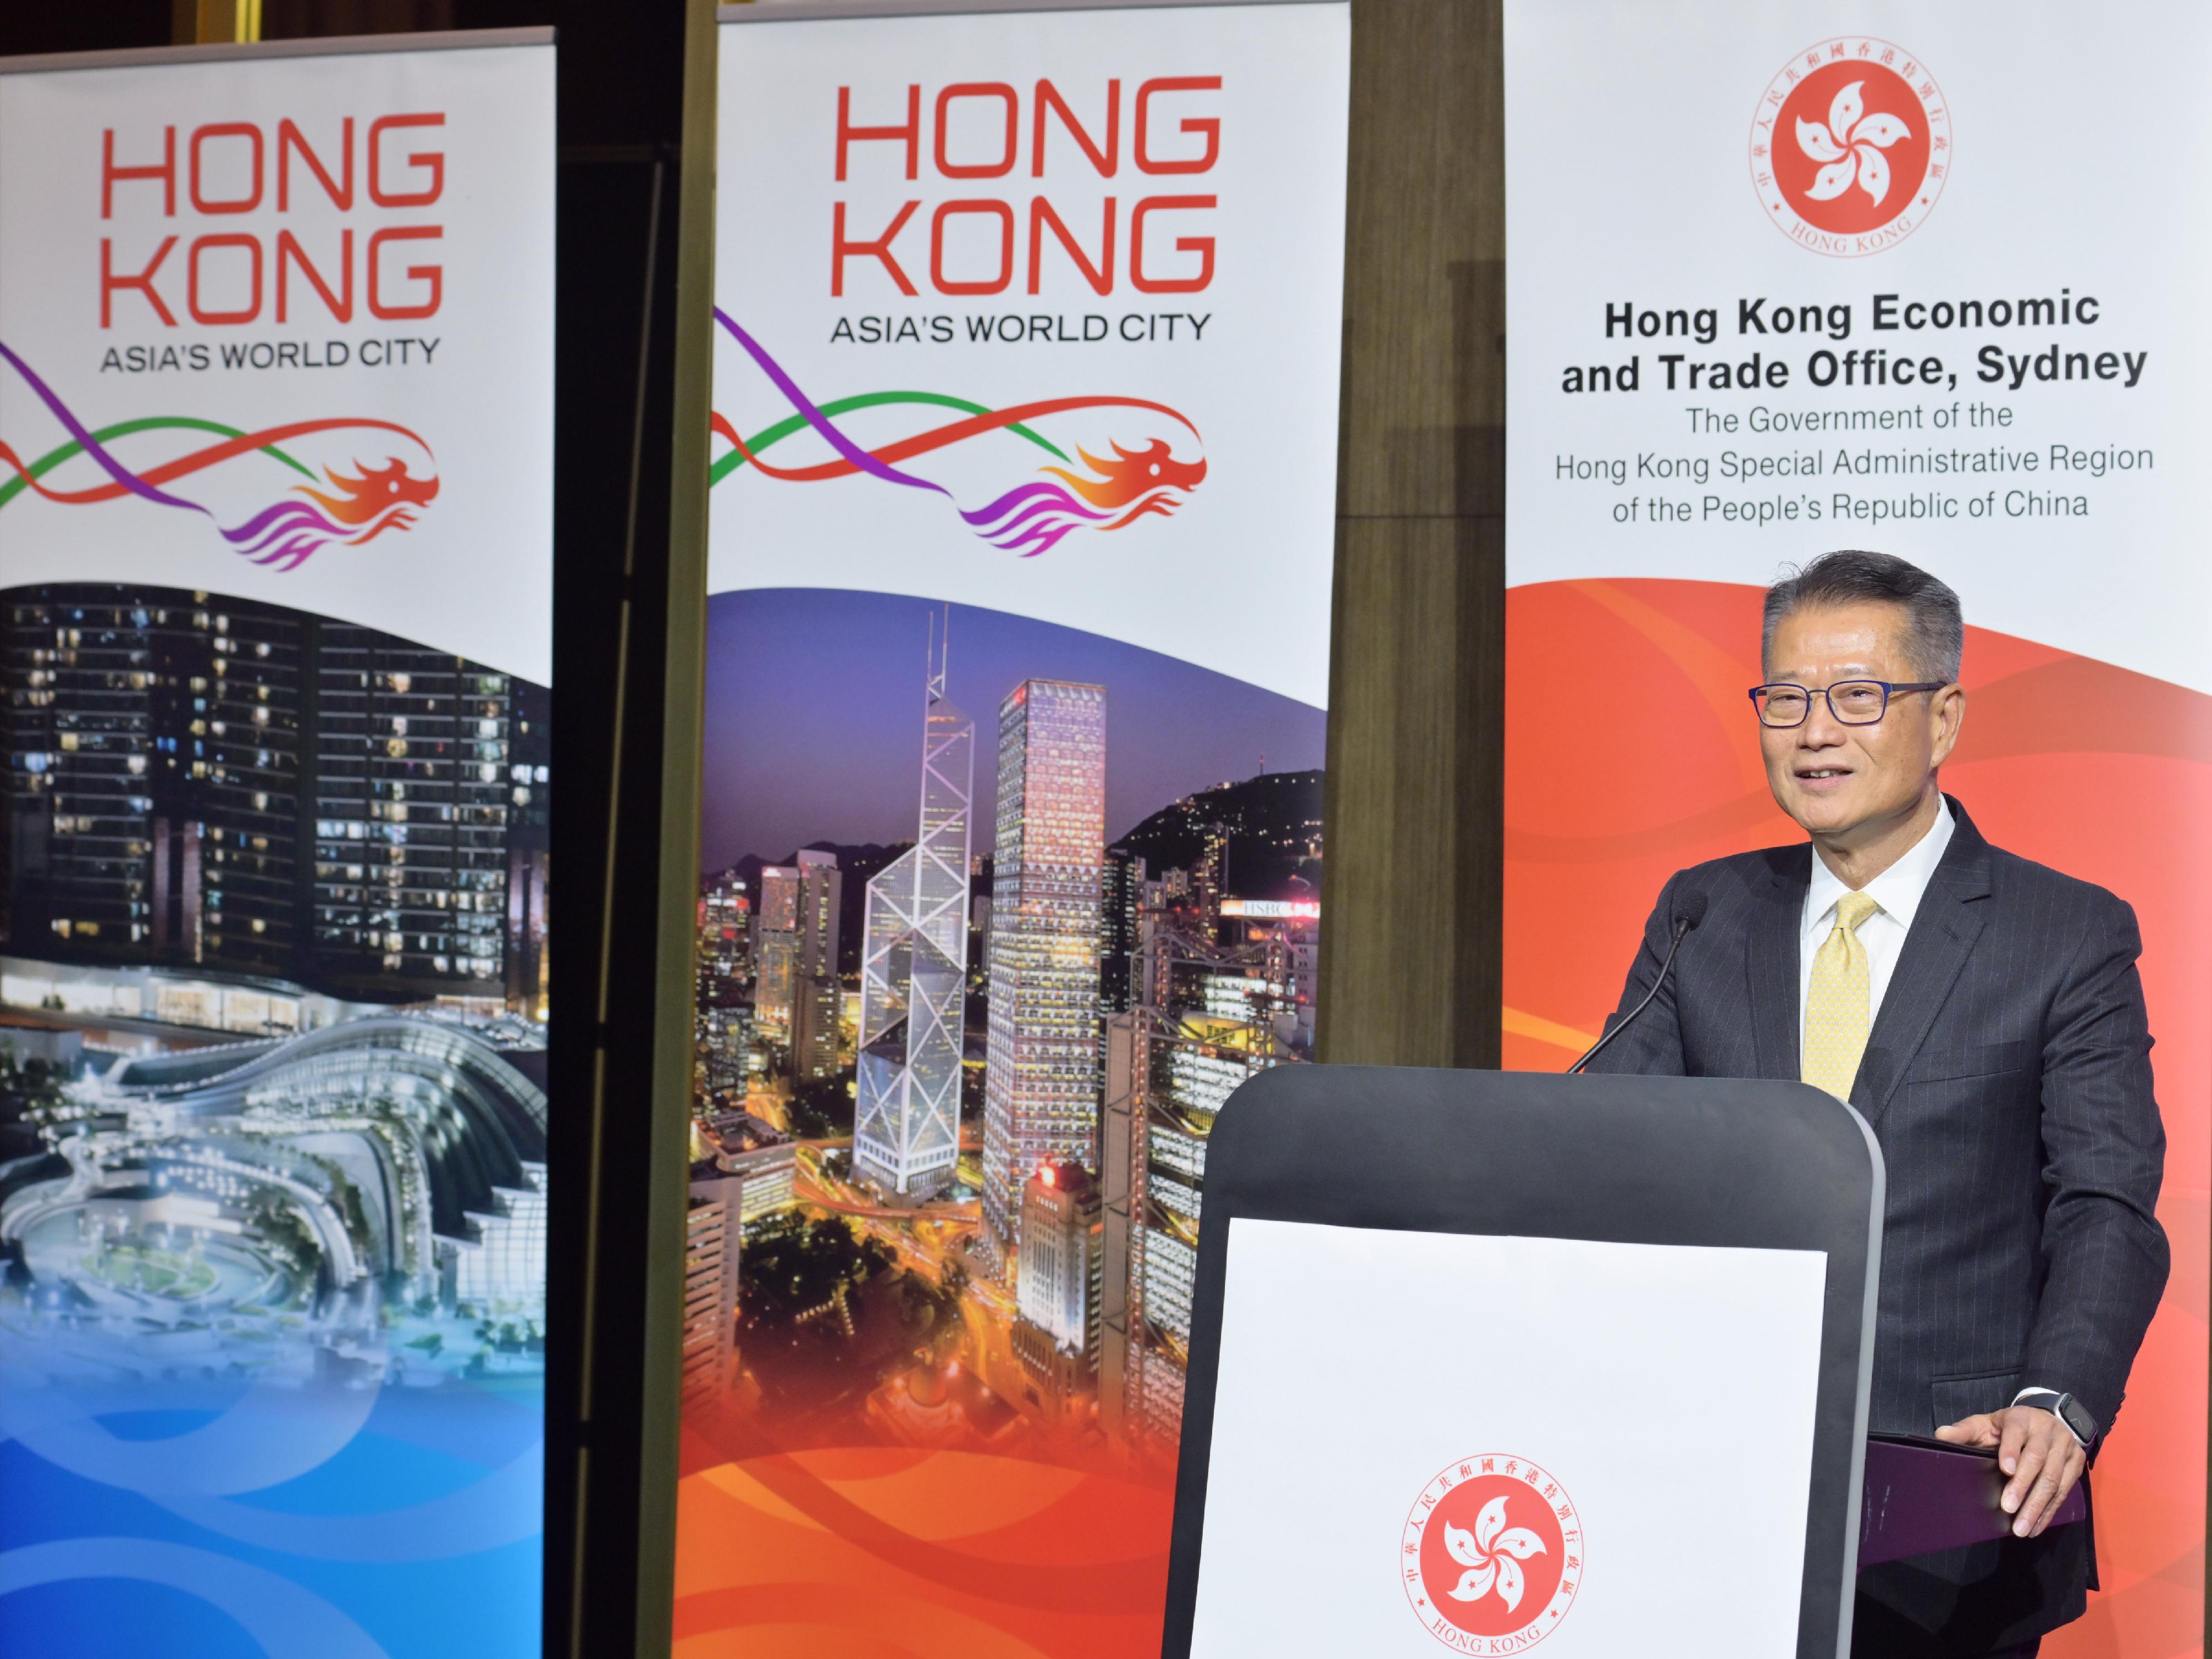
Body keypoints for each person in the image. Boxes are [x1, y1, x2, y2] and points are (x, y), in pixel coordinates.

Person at [1586, 550, 2168, 1658]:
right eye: (1786, 699)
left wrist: (2058, 1401)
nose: (1814, 732)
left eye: (1857, 697)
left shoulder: (2063, 934)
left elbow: (2104, 1205)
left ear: (1941, 717)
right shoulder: (1703, 913)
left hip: (1945, 1512)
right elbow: (1610, 1150)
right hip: (1705, 1489)